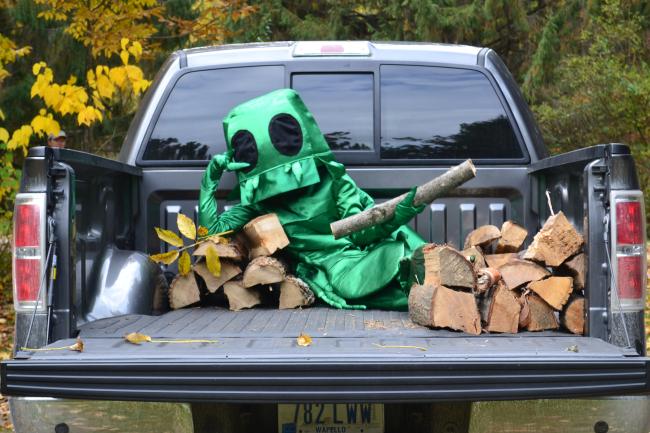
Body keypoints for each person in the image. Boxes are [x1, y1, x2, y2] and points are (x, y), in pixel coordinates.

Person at [198, 89, 425, 310]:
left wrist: (395, 217)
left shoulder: (333, 178)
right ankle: (418, 290)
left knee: (412, 253)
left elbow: (360, 231)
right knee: (355, 286)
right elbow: (211, 232)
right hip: (337, 266)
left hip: (377, 244)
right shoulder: (258, 205)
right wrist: (210, 180)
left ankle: (426, 279)